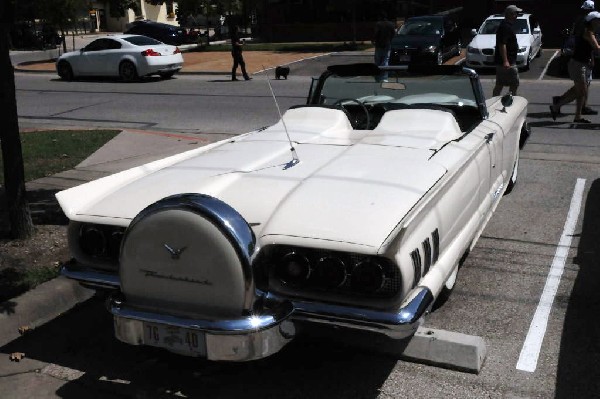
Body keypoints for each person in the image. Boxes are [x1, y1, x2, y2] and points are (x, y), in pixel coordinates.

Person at [550, 11, 600, 123]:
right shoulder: (588, 32)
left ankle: (562, 106)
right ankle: (558, 106)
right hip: (578, 65)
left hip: (582, 64)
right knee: (581, 91)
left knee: (579, 91)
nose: (599, 22)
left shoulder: (590, 32)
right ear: (591, 21)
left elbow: (590, 48)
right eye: (597, 20)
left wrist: (591, 59)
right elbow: (597, 47)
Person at [493, 5, 521, 97]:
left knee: (500, 84)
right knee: (514, 83)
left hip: (506, 61)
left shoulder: (506, 25)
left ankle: (496, 100)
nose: (517, 15)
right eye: (515, 13)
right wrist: (505, 61)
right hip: (507, 62)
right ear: (510, 14)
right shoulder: (505, 27)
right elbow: (502, 44)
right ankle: (510, 101)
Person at [373, 12, 395, 81]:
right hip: (387, 45)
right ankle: (384, 78)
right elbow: (393, 34)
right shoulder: (391, 24)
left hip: (379, 45)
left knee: (378, 61)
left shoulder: (378, 24)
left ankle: (377, 77)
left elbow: (376, 34)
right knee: (385, 61)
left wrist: (373, 40)